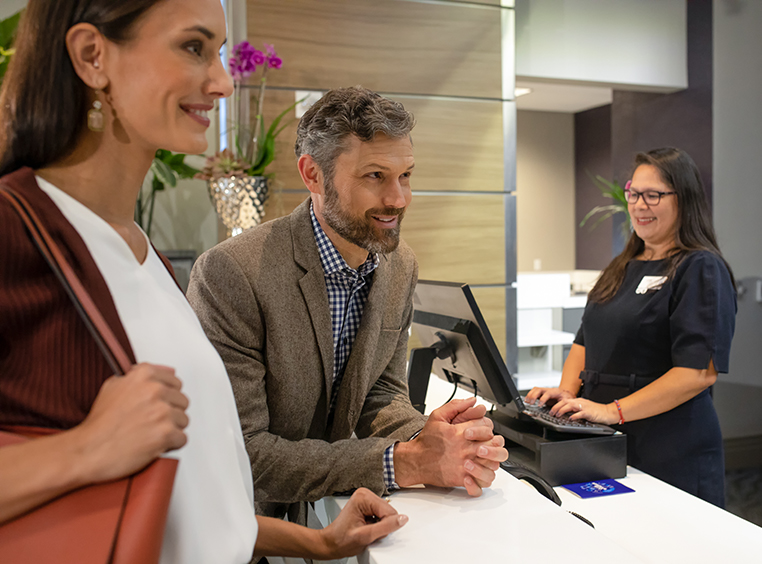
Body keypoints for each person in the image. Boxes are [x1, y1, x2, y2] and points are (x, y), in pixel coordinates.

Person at [0, 1, 408, 562]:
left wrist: (317, 541)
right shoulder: (14, 230)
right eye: (193, 48)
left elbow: (196, 499)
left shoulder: (142, 254)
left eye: (219, 53)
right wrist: (86, 450)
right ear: (93, 56)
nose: (220, 83)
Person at [187, 86, 509, 525]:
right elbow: (246, 451)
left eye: (406, 175)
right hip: (246, 529)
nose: (398, 199)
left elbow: (380, 393)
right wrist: (406, 461)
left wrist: (435, 439)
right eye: (374, 176)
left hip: (333, 513)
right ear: (313, 175)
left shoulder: (400, 264)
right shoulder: (232, 274)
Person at [527, 147, 736, 507]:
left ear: (683, 198)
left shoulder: (699, 268)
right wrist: (567, 392)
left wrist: (611, 411)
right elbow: (585, 338)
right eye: (633, 193)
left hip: (669, 445)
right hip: (606, 438)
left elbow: (698, 373)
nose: (639, 204)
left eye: (653, 195)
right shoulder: (623, 265)